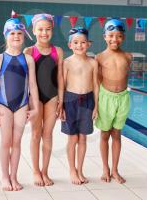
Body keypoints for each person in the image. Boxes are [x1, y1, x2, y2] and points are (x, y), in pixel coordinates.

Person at [0, 18, 39, 191]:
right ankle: (4, 176)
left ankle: (13, 177)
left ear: (24, 36)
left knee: (16, 142)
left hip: (22, 105)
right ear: (5, 36)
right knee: (5, 141)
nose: (16, 36)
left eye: (19, 33)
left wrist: (36, 108)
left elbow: (32, 85)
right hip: (4, 105)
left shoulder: (28, 59)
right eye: (12, 33)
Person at [23, 13, 64, 186]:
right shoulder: (29, 51)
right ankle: (35, 171)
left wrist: (62, 99)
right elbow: (24, 80)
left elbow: (61, 76)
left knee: (47, 134)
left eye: (47, 29)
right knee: (35, 134)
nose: (44, 33)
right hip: (35, 98)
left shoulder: (58, 51)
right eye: (40, 29)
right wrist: (26, 102)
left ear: (52, 30)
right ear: (33, 30)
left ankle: (45, 171)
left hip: (53, 97)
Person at [95, 19, 132, 184]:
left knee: (117, 134)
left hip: (122, 98)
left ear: (123, 37)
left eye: (118, 36)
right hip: (105, 98)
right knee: (104, 134)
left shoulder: (128, 56)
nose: (114, 39)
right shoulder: (99, 57)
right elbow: (96, 82)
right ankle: (105, 169)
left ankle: (115, 169)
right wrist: (95, 104)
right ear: (104, 36)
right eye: (111, 35)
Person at [62, 27, 98, 185]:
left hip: (88, 100)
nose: (79, 45)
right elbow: (62, 85)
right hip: (70, 101)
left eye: (83, 42)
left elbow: (96, 85)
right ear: (70, 45)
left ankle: (80, 170)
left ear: (88, 44)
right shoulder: (66, 63)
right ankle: (72, 170)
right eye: (76, 42)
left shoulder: (93, 63)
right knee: (72, 138)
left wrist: (96, 106)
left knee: (83, 137)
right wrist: (61, 106)